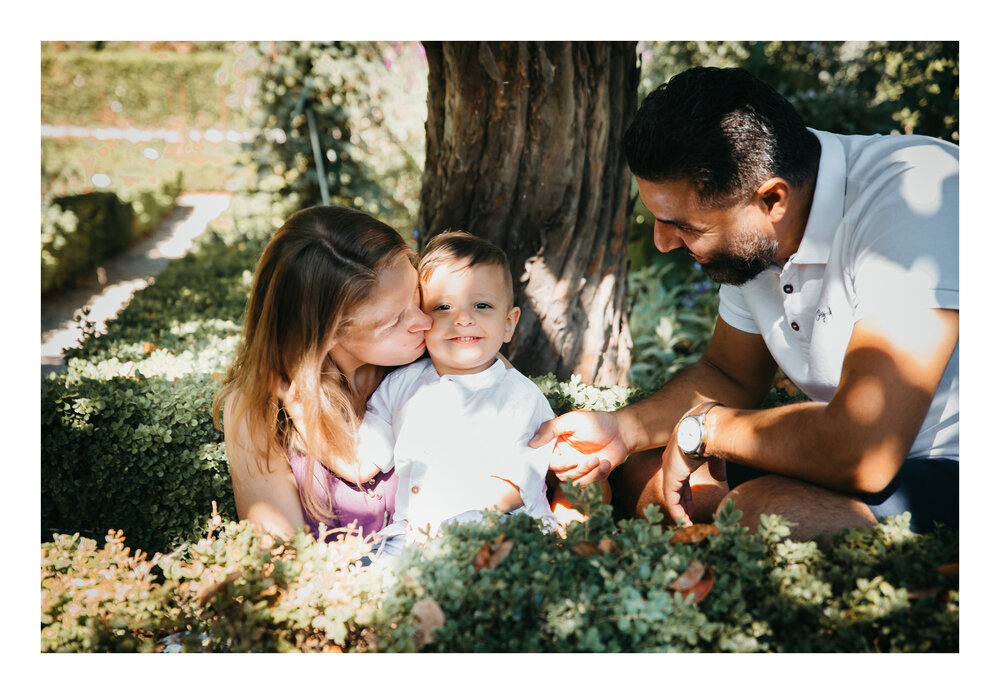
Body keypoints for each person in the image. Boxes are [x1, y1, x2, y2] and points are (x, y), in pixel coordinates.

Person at [532, 66, 959, 540]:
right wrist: (621, 430)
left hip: (950, 466)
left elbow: (865, 450)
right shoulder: (754, 233)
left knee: (761, 513)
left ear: (773, 199)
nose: (662, 243)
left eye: (684, 226)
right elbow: (729, 374)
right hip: (841, 457)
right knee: (643, 476)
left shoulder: (917, 196)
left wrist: (707, 429)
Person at [212, 205, 432, 543]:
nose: (424, 321)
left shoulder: (438, 351)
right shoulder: (260, 411)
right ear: (326, 336)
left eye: (415, 292)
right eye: (392, 322)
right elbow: (281, 555)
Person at [353, 231, 558, 553]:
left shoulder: (519, 398)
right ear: (422, 318)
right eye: (444, 307)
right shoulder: (400, 386)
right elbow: (365, 459)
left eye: (481, 305)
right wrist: (301, 413)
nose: (463, 319)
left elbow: (515, 487)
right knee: (372, 567)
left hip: (497, 528)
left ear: (509, 323)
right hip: (412, 533)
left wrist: (443, 527)